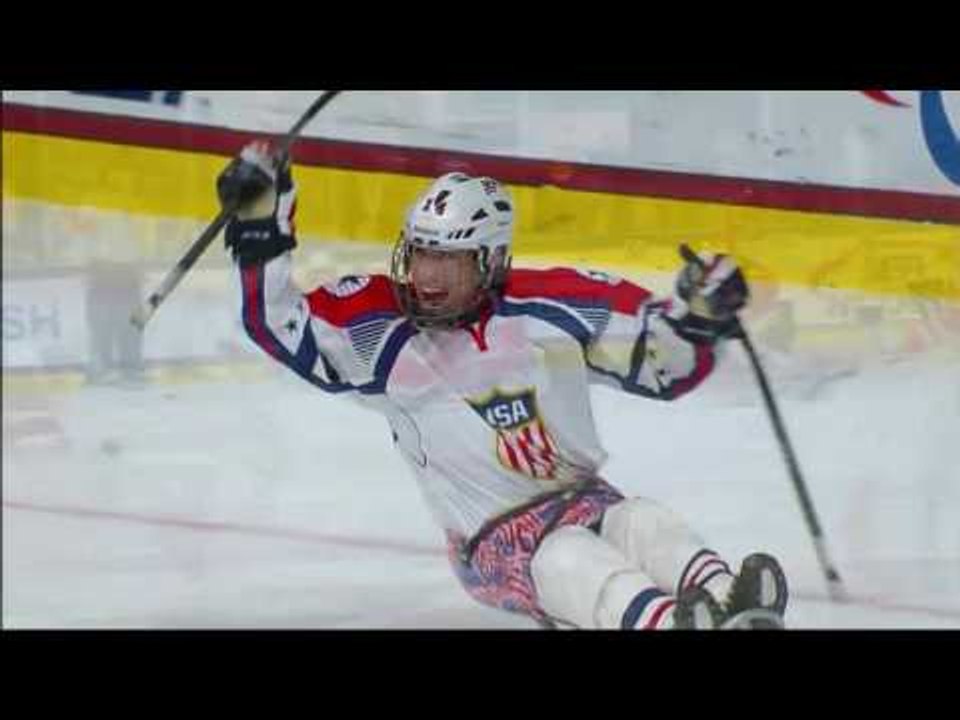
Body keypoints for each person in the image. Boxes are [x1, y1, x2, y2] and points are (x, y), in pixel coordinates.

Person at [215, 142, 789, 630]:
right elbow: (280, 323)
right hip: (490, 541)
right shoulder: (381, 326)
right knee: (570, 556)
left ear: (489, 261)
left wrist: (698, 314)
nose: (427, 278)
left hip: (588, 498)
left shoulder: (554, 304)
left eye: (450, 261)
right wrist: (262, 222)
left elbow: (660, 360)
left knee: (642, 520)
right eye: (420, 255)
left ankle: (725, 602)